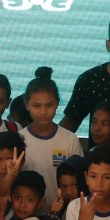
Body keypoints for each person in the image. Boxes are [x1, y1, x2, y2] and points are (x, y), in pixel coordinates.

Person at [19, 69, 84, 198]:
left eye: (49, 105)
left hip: (63, 212)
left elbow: (78, 179)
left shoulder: (70, 139)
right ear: (27, 105)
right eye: (36, 106)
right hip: (27, 213)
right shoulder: (19, 139)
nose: (43, 112)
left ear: (57, 104)